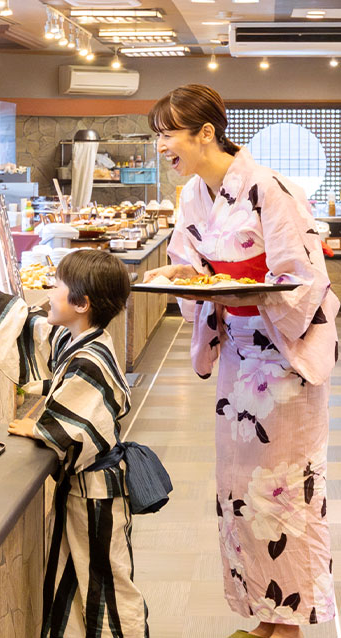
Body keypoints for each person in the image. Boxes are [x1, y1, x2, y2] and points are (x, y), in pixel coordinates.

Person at [144, 84, 339, 638]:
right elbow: (192, 266)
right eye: (157, 135)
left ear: (206, 133)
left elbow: (302, 280)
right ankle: (265, 612)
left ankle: (294, 622)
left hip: (281, 358)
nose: (162, 146)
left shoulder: (271, 189)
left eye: (168, 134)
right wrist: (177, 277)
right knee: (240, 487)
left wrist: (236, 287)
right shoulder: (193, 197)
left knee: (284, 486)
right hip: (236, 353)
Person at [0, 249, 149, 638]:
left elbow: (74, 425)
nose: (49, 293)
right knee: (81, 582)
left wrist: (42, 428)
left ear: (82, 303)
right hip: (87, 493)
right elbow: (21, 320)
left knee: (106, 586)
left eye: (58, 286)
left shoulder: (90, 357)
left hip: (97, 494)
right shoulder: (79, 337)